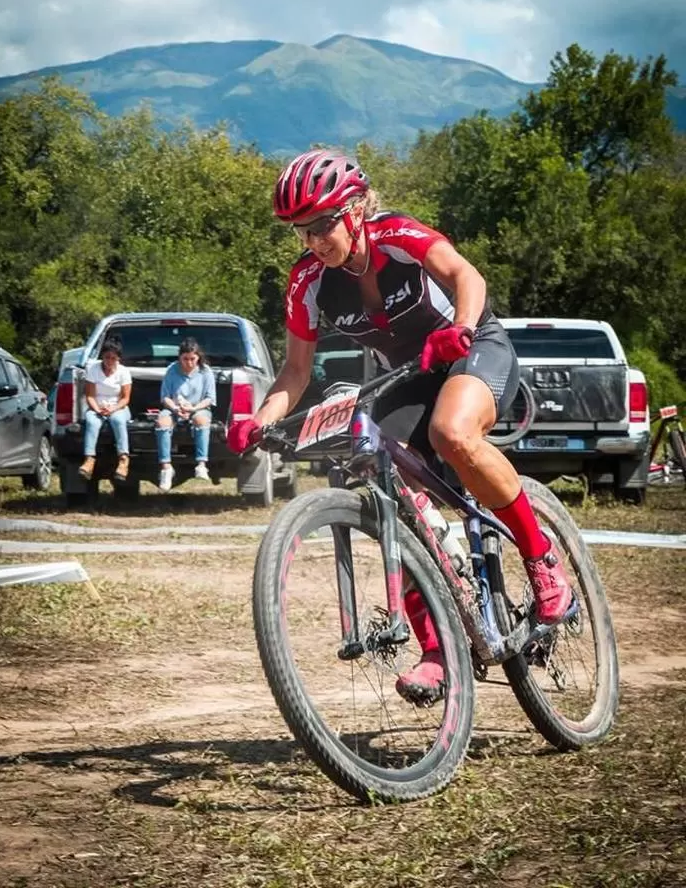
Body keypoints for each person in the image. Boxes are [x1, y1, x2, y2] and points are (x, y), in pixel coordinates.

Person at [227, 148, 572, 704]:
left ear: (356, 209)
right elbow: (294, 372)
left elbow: (466, 274)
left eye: (321, 225)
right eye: (300, 232)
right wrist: (259, 420)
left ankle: (542, 559)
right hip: (407, 375)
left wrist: (459, 327)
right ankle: (437, 650)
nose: (313, 242)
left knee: (451, 434)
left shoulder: (396, 236)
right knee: (390, 494)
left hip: (469, 348)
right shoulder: (308, 282)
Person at [156, 337, 215, 493]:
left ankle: (201, 464)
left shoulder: (205, 371)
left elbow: (209, 398)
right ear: (179, 358)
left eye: (192, 359)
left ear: (198, 358)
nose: (189, 363)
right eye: (185, 359)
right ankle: (166, 468)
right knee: (162, 423)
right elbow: (165, 397)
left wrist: (193, 408)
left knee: (201, 420)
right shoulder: (172, 370)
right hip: (174, 407)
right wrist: (175, 408)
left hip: (198, 407)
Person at [79, 338, 132, 483]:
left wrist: (112, 409)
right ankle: (89, 459)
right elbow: (89, 395)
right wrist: (97, 409)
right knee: (91, 422)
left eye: (113, 358)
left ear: (118, 358)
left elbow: (125, 398)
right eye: (107, 357)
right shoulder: (93, 370)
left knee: (118, 420)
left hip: (118, 407)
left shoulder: (123, 372)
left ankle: (123, 459)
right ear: (102, 356)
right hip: (97, 406)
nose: (109, 361)